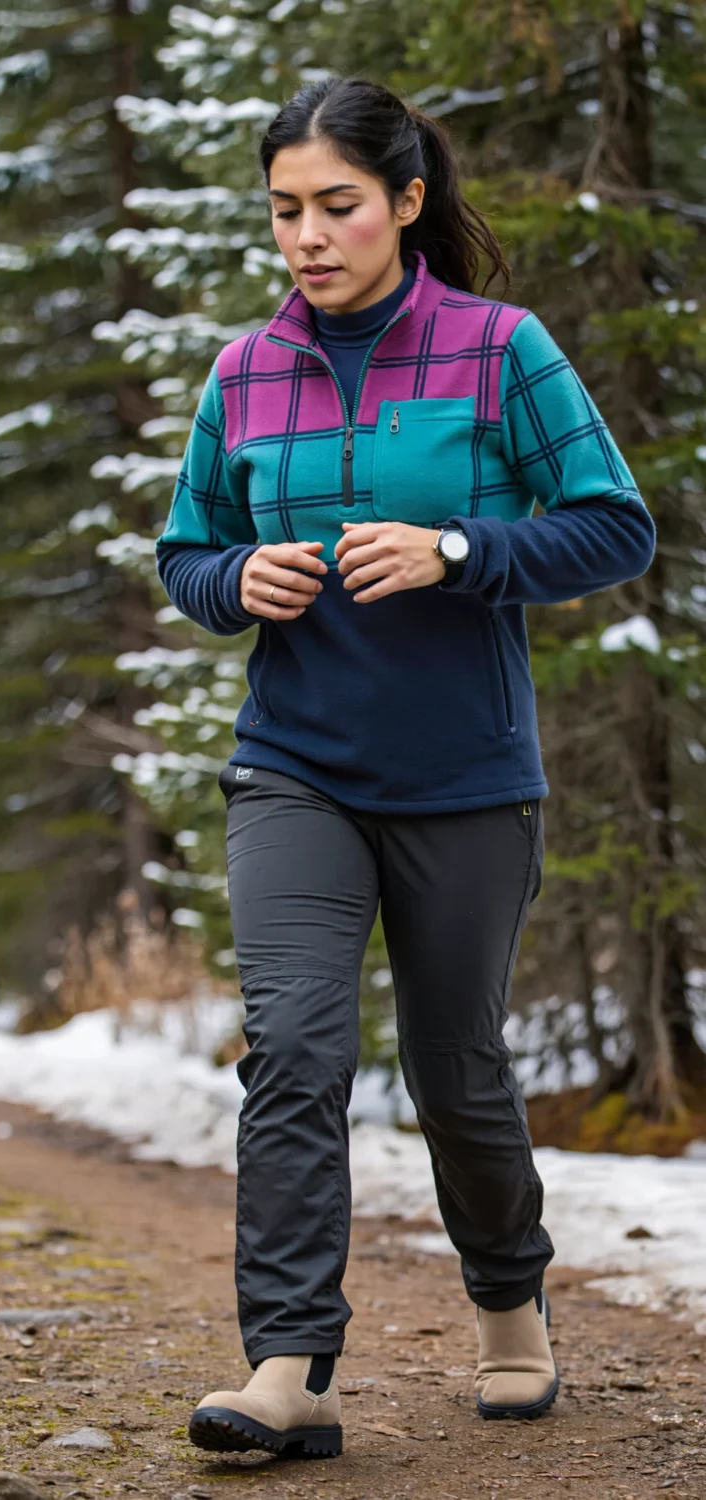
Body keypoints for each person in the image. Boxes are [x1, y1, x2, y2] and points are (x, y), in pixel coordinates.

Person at [155, 76, 655, 1461]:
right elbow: (184, 550)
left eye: (337, 206)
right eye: (285, 212)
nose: (308, 237)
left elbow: (617, 528)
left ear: (406, 204)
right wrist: (230, 577)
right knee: (297, 1053)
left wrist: (461, 550)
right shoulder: (245, 368)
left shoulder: (502, 350)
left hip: (467, 779)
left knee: (457, 1067)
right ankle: (288, 1367)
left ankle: (510, 1305)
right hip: (295, 767)